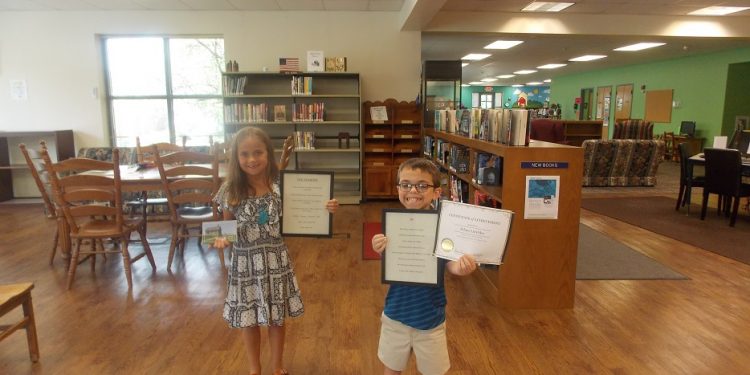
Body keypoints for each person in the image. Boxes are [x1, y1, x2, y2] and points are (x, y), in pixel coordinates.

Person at [212, 126, 339, 375]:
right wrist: (220, 239)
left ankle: (277, 366)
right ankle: (254, 369)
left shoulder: (281, 184)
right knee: (249, 319)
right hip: (245, 264)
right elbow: (223, 226)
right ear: (236, 158)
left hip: (276, 260)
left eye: (258, 152)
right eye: (245, 154)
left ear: (268, 154)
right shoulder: (230, 189)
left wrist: (326, 206)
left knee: (276, 317)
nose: (251, 159)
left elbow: (307, 208)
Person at [371, 158, 478, 375]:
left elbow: (450, 264)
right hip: (396, 313)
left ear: (437, 192)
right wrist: (379, 248)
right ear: (398, 189)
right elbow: (393, 264)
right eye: (406, 184)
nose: (413, 190)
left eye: (422, 185)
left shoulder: (443, 226)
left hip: (430, 318)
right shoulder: (394, 224)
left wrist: (461, 267)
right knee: (391, 368)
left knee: (434, 371)